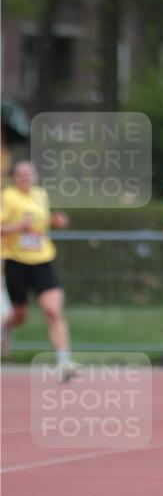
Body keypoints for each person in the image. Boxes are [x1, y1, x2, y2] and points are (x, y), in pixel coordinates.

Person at [1, 161, 77, 381]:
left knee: (53, 311)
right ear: (14, 177)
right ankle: (5, 328)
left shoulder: (41, 194)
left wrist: (56, 220)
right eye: (21, 174)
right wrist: (18, 226)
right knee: (20, 315)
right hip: (16, 261)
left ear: (35, 176)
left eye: (30, 174)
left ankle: (64, 363)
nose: (26, 178)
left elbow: (41, 222)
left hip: (43, 259)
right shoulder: (7, 197)